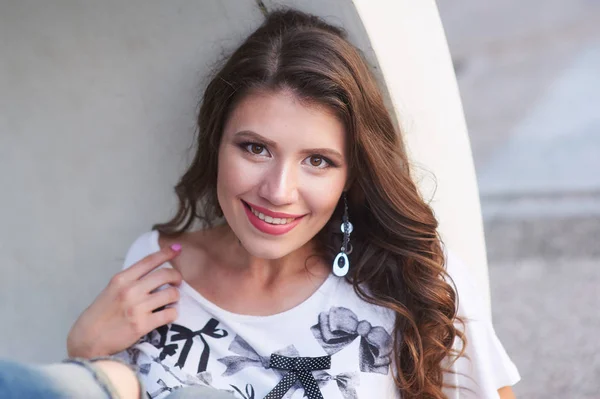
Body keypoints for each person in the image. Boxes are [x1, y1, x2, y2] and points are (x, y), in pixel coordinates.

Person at [5, 8, 520, 399]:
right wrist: (84, 352)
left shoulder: (412, 280)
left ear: (352, 174)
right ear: (217, 145)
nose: (278, 190)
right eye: (255, 148)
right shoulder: (157, 269)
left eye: (317, 161)